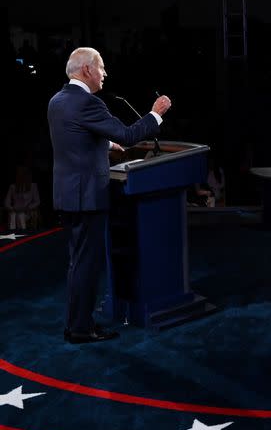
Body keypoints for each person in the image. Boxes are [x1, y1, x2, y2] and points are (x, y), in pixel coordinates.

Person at [48, 47, 172, 343]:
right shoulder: (89, 103)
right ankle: (81, 329)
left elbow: (74, 140)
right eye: (101, 67)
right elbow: (128, 135)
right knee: (87, 264)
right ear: (87, 70)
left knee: (78, 263)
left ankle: (76, 323)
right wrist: (155, 114)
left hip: (68, 195)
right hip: (88, 196)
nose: (105, 73)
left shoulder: (57, 101)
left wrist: (104, 146)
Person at [4, 166, 40, 231]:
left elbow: (37, 201)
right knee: (13, 215)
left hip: (27, 211)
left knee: (21, 215)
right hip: (15, 210)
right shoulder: (13, 187)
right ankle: (13, 233)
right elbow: (7, 202)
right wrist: (11, 208)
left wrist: (28, 208)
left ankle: (22, 233)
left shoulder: (33, 186)